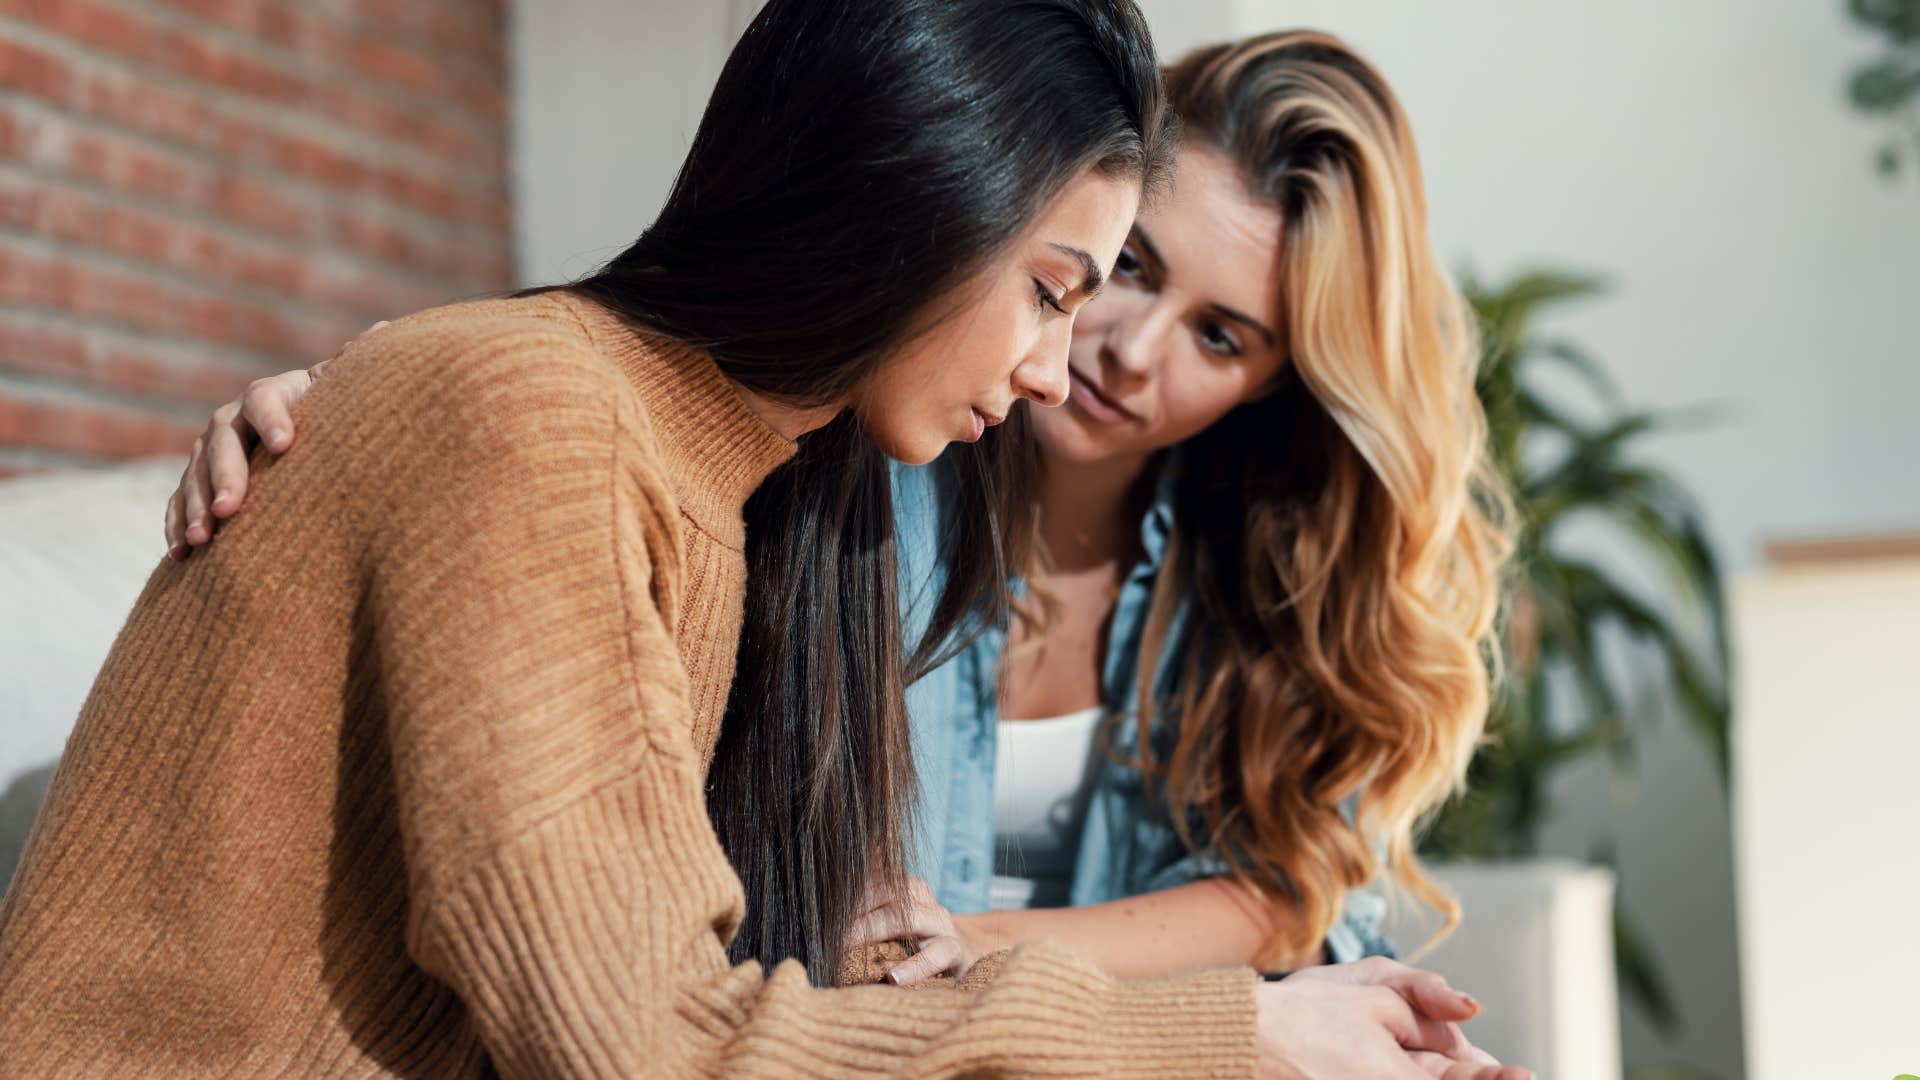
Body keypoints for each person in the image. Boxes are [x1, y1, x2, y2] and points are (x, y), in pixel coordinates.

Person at [3, 1, 1522, 1076]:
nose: (1087, 360)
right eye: (1075, 283)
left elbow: (751, 978)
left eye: (1222, 335)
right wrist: (1231, 1040)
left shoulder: (771, 491)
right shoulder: (575, 431)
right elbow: (645, 1043)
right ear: (924, 194)